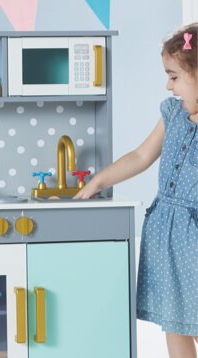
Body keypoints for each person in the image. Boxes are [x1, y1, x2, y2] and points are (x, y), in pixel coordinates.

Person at [74, 23, 198, 358]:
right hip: (166, 234)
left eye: (174, 77)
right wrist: (99, 181)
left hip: (195, 236)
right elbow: (142, 155)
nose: (167, 85)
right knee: (175, 323)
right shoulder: (172, 114)